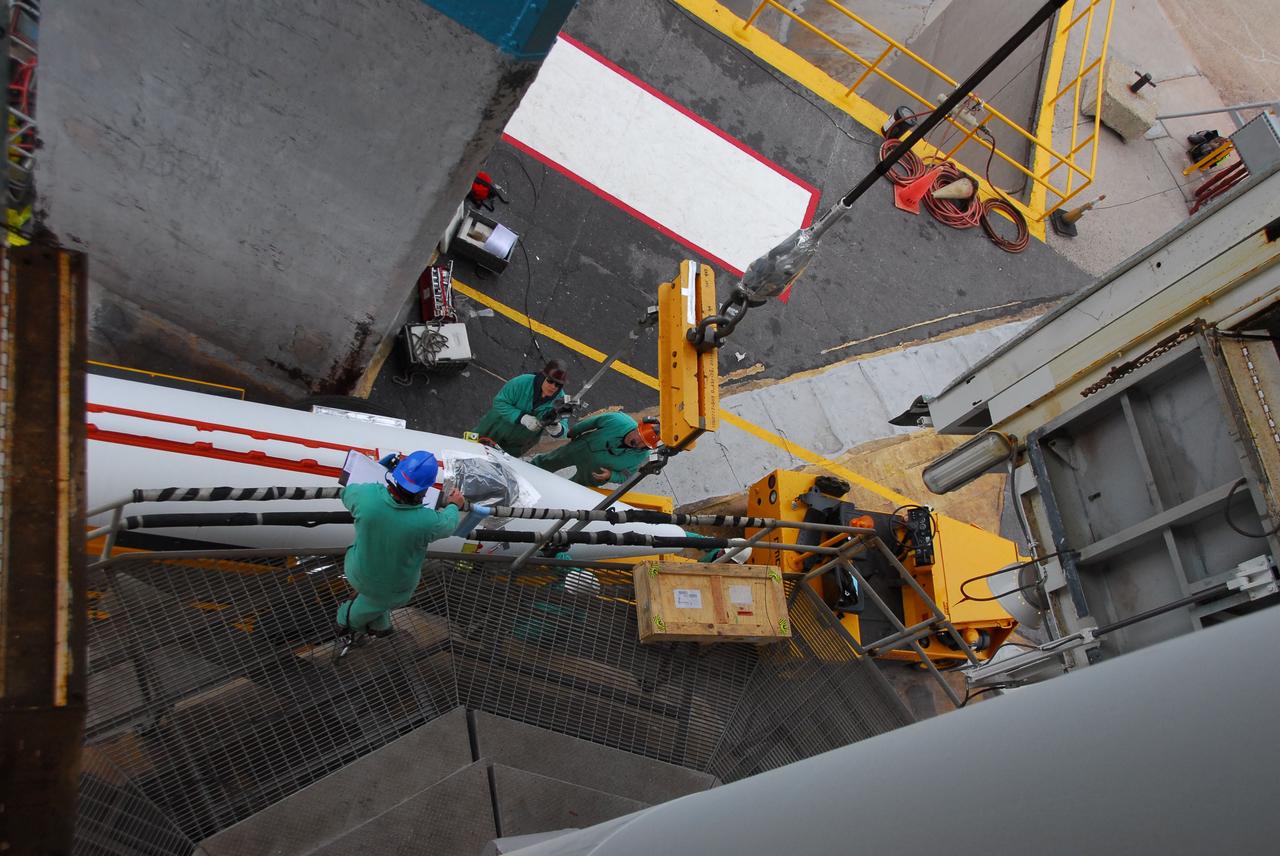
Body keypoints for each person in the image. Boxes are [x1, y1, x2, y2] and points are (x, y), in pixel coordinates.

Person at [335, 450, 465, 643]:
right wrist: (454, 505)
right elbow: (449, 524)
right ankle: (347, 622)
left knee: (374, 598)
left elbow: (347, 493)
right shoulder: (427, 521)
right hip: (398, 589)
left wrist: (380, 467)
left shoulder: (367, 497)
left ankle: (376, 627)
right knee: (365, 607)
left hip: (359, 573)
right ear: (424, 489)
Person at [471, 360, 570, 456]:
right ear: (542, 377)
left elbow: (563, 429)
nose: (553, 386)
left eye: (558, 385)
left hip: (516, 445)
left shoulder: (560, 402)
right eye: (550, 381)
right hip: (494, 428)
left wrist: (556, 428)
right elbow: (499, 402)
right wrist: (522, 418)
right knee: (469, 450)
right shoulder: (522, 382)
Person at [530, 412, 659, 487]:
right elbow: (592, 423)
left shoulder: (642, 458)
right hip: (579, 449)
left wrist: (611, 476)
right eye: (640, 437)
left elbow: (627, 477)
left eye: (645, 443)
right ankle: (526, 470)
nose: (638, 443)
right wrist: (574, 432)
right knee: (550, 460)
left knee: (572, 488)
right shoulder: (618, 420)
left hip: (593, 474)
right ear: (638, 428)